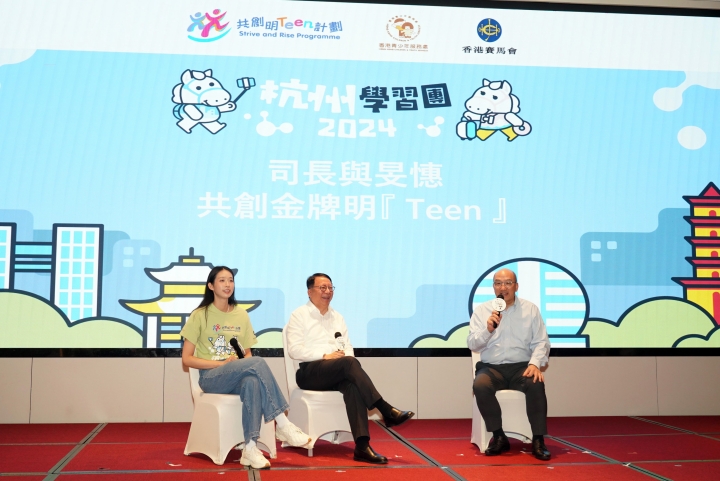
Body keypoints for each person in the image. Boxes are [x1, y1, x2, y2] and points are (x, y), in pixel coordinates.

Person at [181, 266, 311, 469]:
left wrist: (239, 364)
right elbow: (187, 359)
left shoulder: (241, 315)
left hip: (236, 374)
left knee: (252, 382)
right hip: (211, 377)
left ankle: (250, 448)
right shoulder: (200, 315)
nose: (228, 284)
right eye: (222, 280)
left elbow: (246, 354)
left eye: (230, 280)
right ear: (211, 286)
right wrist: (221, 363)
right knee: (258, 362)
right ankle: (282, 422)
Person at [285, 273, 415, 464]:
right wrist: (324, 355)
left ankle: (362, 446)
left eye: (330, 288)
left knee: (353, 384)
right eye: (322, 287)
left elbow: (348, 348)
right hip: (309, 372)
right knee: (349, 363)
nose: (327, 291)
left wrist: (341, 358)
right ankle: (385, 409)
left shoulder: (337, 317)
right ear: (309, 292)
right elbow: (295, 350)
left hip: (337, 370)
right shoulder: (299, 315)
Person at [467, 268, 552, 460]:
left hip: (522, 367)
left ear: (516, 286)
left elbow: (541, 341)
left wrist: (535, 364)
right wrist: (488, 329)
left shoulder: (530, 309)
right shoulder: (482, 311)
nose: (503, 287)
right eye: (498, 283)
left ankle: (538, 440)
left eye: (507, 283)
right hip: (491, 368)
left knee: (536, 383)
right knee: (480, 385)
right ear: (493, 287)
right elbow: (472, 344)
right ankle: (499, 437)